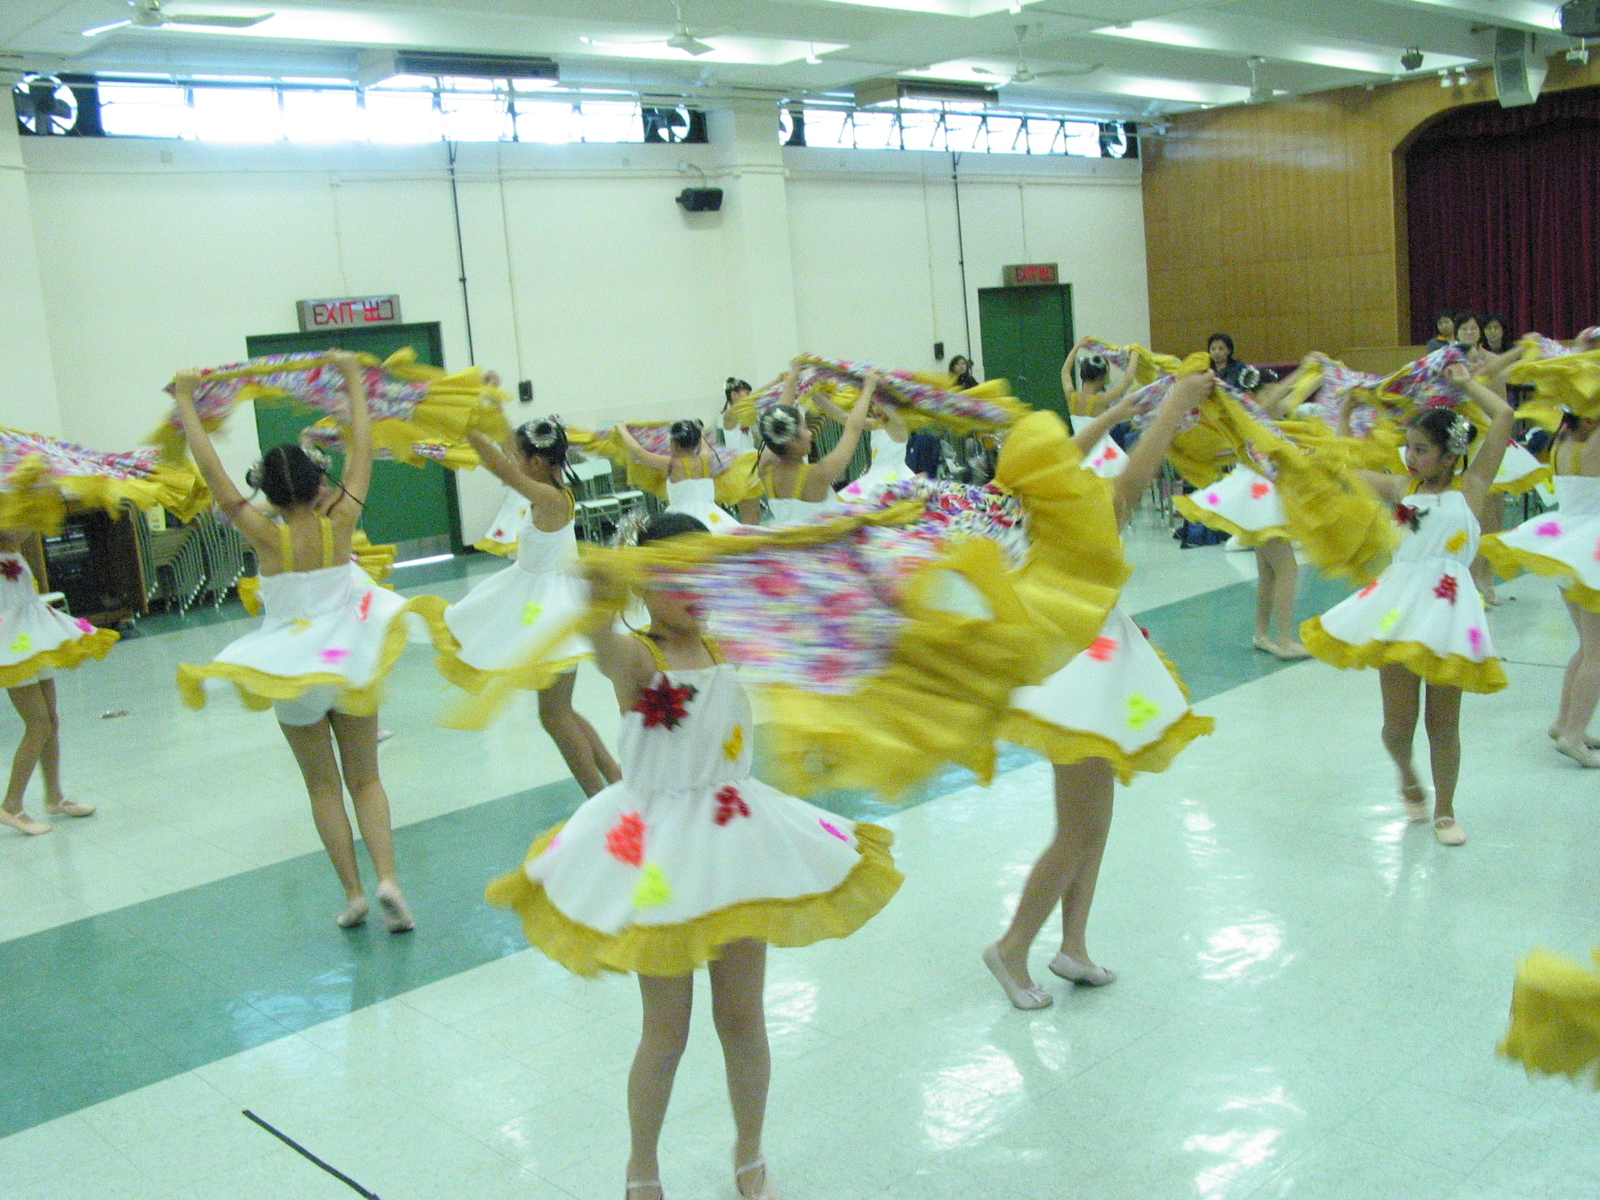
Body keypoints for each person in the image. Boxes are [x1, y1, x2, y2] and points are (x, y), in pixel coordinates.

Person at [486, 511, 902, 1200]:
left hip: (736, 842)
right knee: (666, 1031)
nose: (695, 593)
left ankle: (750, 1152)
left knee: (742, 1017)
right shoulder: (637, 655)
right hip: (661, 853)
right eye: (678, 579)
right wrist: (599, 591)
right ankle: (641, 1169)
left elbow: (802, 629)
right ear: (646, 584)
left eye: (703, 576)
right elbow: (600, 640)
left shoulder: (724, 641)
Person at [984, 371, 1218, 1009]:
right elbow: (1139, 472)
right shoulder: (1089, 511)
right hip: (1084, 673)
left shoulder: (1026, 501)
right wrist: (1174, 403)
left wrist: (1115, 411)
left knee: (1092, 820)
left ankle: (1073, 946)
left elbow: (1060, 457)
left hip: (1086, 662)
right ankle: (1011, 946)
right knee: (1079, 827)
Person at [174, 353, 417, 929]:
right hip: (344, 659)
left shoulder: (263, 532)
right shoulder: (341, 520)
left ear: (268, 490)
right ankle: (387, 878)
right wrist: (351, 379)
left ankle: (354, 894)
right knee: (366, 779)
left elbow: (212, 472)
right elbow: (361, 447)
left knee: (323, 788)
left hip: (290, 668)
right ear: (316, 483)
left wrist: (186, 401)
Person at [1301, 362, 1516, 846]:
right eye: (1408, 447)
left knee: (1443, 725)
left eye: (1421, 449)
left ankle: (1445, 809)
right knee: (1397, 728)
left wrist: (1465, 382)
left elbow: (1504, 416)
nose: (1410, 457)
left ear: (1449, 455)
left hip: (1449, 613)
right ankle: (1406, 776)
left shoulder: (1472, 487)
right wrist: (1339, 422)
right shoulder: (1401, 488)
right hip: (1397, 608)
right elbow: (1344, 471)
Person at [431, 418, 621, 797]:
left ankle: (599, 797)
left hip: (552, 609)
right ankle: (614, 782)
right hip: (542, 598)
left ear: (536, 462)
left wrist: (468, 427)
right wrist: (491, 410)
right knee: (561, 711)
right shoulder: (549, 488)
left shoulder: (550, 498)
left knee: (554, 716)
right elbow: (507, 451)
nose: (511, 458)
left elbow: (501, 467)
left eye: (518, 455)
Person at [1175, 359, 1315, 658]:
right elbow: (1277, 399)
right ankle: (1285, 640)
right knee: (1288, 569)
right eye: (1270, 391)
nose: (1278, 396)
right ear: (1256, 397)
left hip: (1262, 497)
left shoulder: (1268, 420)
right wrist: (1302, 370)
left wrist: (1320, 373)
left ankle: (1262, 634)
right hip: (1259, 498)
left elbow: (1289, 399)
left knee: (1269, 573)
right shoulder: (1252, 416)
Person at [1483, 412, 1600, 767]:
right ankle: (1573, 735)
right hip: (1590, 548)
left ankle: (1565, 722)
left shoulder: (1564, 437)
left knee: (1588, 646)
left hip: (1564, 541)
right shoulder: (1594, 440)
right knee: (1597, 653)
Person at [0, 535, 116, 836]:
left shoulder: (11, 544)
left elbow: (20, 534)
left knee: (51, 719)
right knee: (38, 723)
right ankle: (11, 805)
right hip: (12, 642)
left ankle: (54, 796)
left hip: (35, 631)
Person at [751, 362, 875, 525]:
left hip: (789, 540)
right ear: (793, 442)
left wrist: (794, 376)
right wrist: (868, 389)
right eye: (804, 428)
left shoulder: (766, 469)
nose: (810, 433)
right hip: (825, 540)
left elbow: (777, 419)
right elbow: (853, 429)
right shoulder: (817, 475)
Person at [620, 419, 741, 534]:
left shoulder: (673, 464)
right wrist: (699, 431)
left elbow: (640, 453)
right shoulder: (706, 459)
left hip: (681, 518)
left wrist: (622, 429)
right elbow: (703, 443)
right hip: (712, 514)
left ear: (675, 444)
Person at [1061, 336, 1134, 477]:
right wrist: (1134, 356)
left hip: (1079, 450)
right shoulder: (1101, 400)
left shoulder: (1072, 396)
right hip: (1102, 454)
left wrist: (1077, 346)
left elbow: (1065, 372)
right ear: (1102, 379)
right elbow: (1128, 381)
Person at [720, 378, 755, 453]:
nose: (749, 397)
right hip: (737, 458)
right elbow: (756, 397)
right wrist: (777, 381)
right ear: (734, 395)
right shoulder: (728, 414)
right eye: (747, 394)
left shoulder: (744, 413)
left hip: (749, 454)